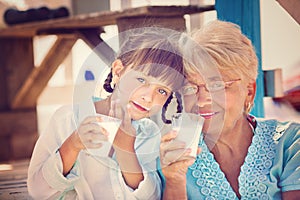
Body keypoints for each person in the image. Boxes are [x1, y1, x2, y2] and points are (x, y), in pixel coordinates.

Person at [27, 27, 185, 199]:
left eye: (162, 91)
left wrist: (126, 149)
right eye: (141, 80)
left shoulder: (150, 133)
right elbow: (37, 191)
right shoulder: (67, 119)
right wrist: (73, 145)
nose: (148, 97)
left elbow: (151, 196)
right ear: (118, 71)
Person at [159, 20, 300, 199]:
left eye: (217, 85)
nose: (201, 101)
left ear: (249, 91)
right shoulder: (168, 156)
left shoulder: (290, 143)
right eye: (190, 88)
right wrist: (174, 181)